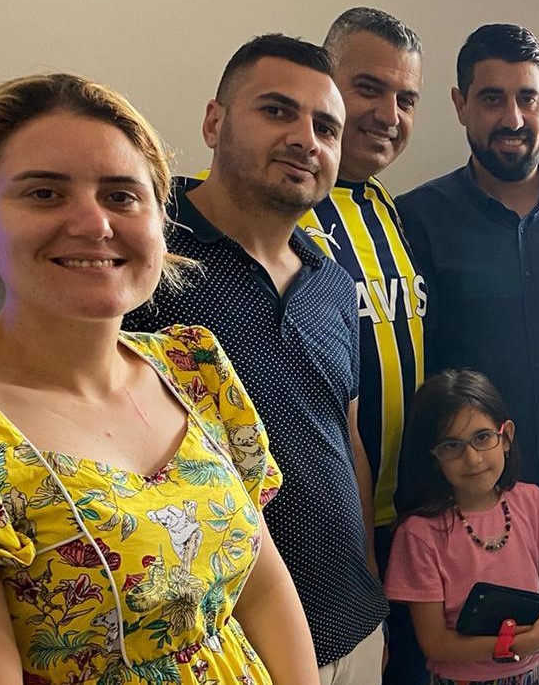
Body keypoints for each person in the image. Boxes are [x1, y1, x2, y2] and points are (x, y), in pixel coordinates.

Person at [0, 73, 318, 683]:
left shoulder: (193, 368)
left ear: (160, 219)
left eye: (121, 195)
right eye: (45, 193)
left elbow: (262, 590)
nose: (94, 224)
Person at [123, 35, 390, 681]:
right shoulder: (143, 255)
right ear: (214, 122)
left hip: (351, 627)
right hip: (217, 644)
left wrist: (369, 579)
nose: (306, 140)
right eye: (277, 111)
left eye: (326, 128)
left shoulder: (332, 283)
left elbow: (344, 437)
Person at [398, 22, 539, 685]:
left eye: (528, 98)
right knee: (491, 666)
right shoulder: (416, 220)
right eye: (492, 98)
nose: (514, 118)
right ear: (459, 104)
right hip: (474, 505)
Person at [305, 5, 432, 685]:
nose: (388, 114)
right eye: (368, 89)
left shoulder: (387, 207)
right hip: (328, 526)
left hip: (412, 514)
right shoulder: (284, 211)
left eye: (405, 99)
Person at [386, 368, 539, 685]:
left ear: (506, 437)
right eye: (452, 446)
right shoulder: (419, 534)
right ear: (434, 456)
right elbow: (435, 642)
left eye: (482, 437)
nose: (472, 459)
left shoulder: (530, 501)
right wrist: (516, 645)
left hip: (533, 673)